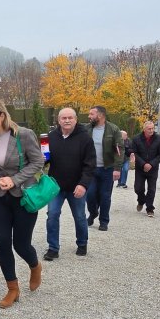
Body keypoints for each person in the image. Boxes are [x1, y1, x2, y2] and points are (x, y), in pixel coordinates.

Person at [0, 98, 45, 308]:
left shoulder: (23, 135)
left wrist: (14, 179)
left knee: (21, 244)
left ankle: (35, 266)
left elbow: (38, 161)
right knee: (2, 241)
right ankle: (12, 288)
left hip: (23, 196)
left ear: (2, 116)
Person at [45, 107, 96, 259]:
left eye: (70, 118)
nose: (67, 120)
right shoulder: (51, 137)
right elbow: (46, 159)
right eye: (63, 118)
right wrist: (42, 159)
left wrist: (83, 184)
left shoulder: (85, 138)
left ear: (75, 119)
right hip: (56, 186)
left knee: (79, 216)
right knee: (52, 215)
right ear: (58, 120)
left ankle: (82, 243)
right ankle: (53, 248)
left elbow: (90, 164)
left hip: (77, 186)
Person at [85, 105, 124, 231]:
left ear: (100, 115)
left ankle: (104, 221)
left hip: (107, 169)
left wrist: (117, 168)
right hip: (91, 169)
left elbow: (119, 149)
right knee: (90, 195)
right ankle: (93, 213)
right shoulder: (86, 129)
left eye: (92, 114)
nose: (89, 116)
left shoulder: (113, 129)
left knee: (105, 196)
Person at [131, 121, 160, 217]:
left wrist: (151, 164)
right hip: (140, 168)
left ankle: (150, 208)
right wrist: (143, 164)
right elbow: (134, 152)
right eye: (149, 129)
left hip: (153, 168)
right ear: (144, 129)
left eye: (152, 128)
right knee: (138, 188)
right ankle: (141, 200)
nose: (151, 130)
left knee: (151, 189)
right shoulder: (136, 139)